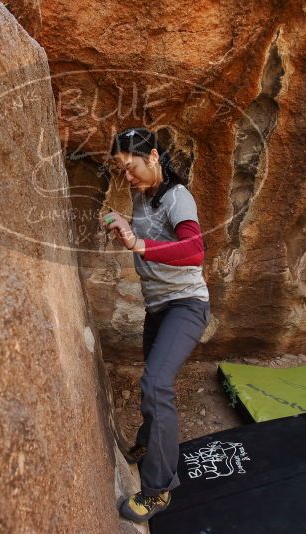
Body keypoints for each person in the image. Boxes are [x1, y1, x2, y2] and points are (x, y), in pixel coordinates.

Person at [99, 127, 211, 523]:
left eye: (131, 168)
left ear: (153, 159)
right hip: (158, 308)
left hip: (186, 305)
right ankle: (147, 443)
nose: (126, 177)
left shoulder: (178, 197)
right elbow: (140, 228)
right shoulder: (141, 193)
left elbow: (194, 250)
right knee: (154, 380)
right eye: (120, 169)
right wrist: (119, 221)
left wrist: (139, 245)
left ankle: (158, 490)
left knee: (156, 384)